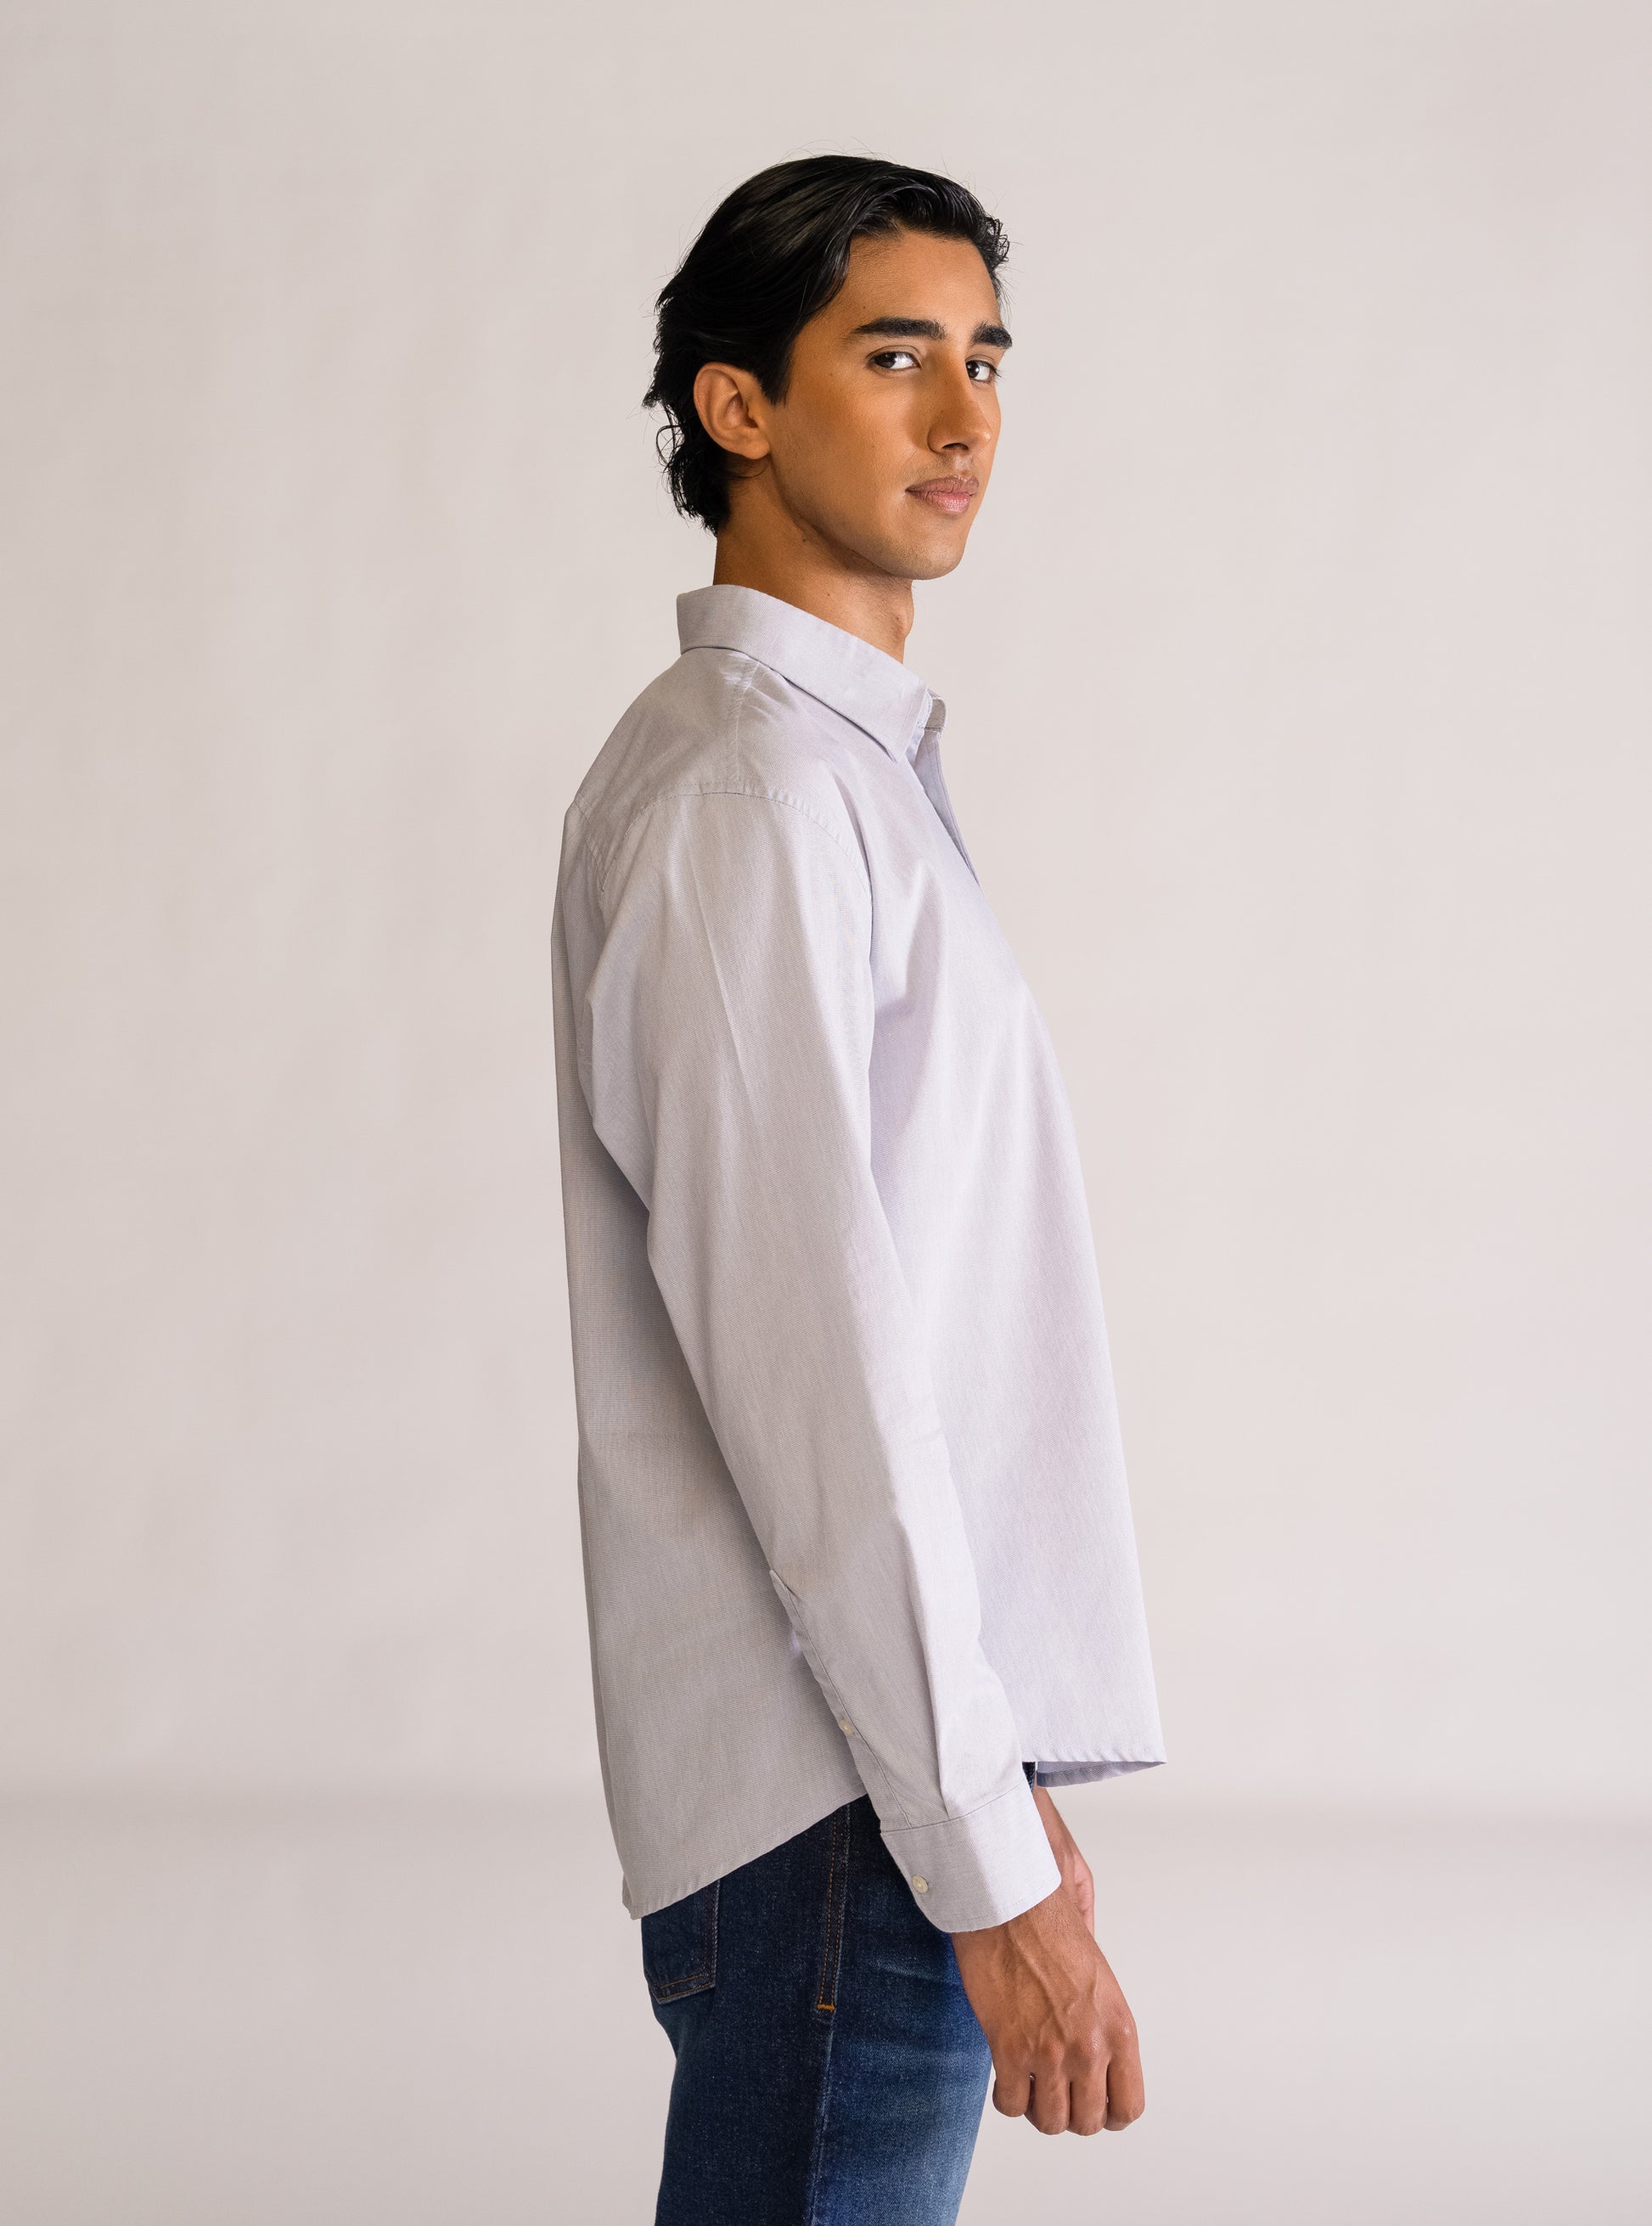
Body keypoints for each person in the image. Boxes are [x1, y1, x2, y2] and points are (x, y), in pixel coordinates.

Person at [550, 155, 1165, 2226]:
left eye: (986, 358)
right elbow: (816, 1384)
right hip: (844, 1823)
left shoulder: (831, 775)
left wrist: (1005, 1792)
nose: (965, 415)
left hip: (881, 1794)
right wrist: (978, 1858)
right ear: (737, 406)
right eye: (895, 356)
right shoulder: (751, 791)